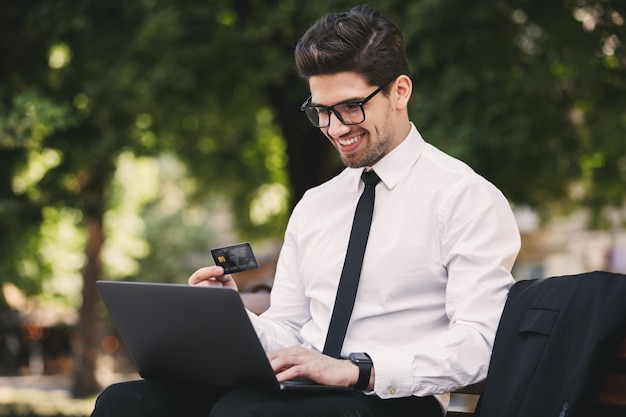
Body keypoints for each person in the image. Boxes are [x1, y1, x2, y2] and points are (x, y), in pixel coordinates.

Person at [91, 5, 520, 417]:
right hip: (297, 393)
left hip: (395, 400)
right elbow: (289, 329)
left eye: (351, 107)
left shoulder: (465, 197)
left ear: (400, 92)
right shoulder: (316, 205)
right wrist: (233, 318)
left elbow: (480, 343)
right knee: (127, 403)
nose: (334, 129)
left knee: (245, 411)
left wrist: (359, 369)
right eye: (321, 112)